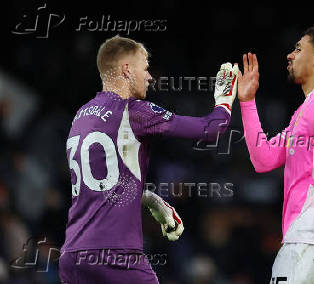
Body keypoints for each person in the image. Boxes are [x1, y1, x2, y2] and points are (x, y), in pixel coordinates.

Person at [58, 35, 239, 283]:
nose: (150, 76)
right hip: (115, 255)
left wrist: (151, 199)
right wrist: (224, 100)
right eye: (145, 68)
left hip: (72, 256)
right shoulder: (133, 112)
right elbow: (211, 128)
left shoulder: (81, 116)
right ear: (127, 69)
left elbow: (102, 186)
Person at [237, 26, 314, 283]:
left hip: (313, 240)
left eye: (298, 49)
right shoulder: (307, 112)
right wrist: (248, 101)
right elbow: (263, 159)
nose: (290, 55)